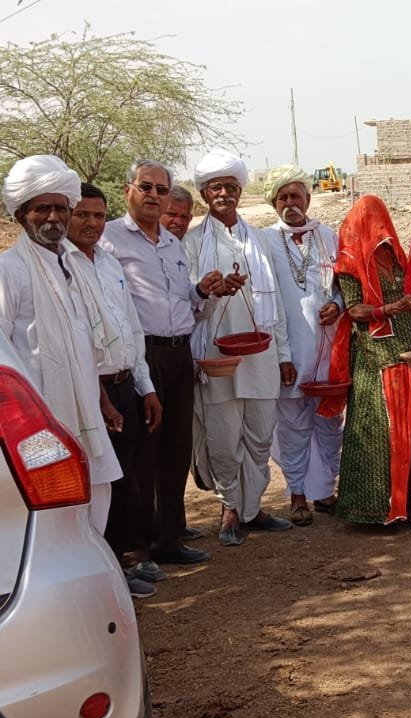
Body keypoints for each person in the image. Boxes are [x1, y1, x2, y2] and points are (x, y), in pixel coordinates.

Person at [101, 160, 221, 569]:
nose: (154, 195)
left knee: (176, 448)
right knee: (143, 454)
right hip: (142, 355)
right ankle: (139, 544)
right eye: (146, 187)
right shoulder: (109, 240)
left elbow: (183, 300)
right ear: (128, 190)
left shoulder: (171, 243)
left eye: (162, 189)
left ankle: (170, 538)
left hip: (178, 352)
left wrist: (201, 291)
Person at [0, 156, 122, 536]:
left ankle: (93, 569)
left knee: (97, 494)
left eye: (60, 207)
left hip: (86, 407)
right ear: (21, 215)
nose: (53, 216)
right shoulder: (9, 270)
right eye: (42, 208)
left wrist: (102, 399)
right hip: (38, 416)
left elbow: (83, 342)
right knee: (54, 512)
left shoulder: (74, 265)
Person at [185, 149, 293, 547]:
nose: (224, 194)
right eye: (216, 187)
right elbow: (187, 303)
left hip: (261, 352)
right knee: (224, 437)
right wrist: (211, 292)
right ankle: (229, 506)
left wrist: (283, 354)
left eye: (231, 186)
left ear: (240, 191)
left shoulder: (262, 239)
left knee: (260, 435)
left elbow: (277, 302)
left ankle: (252, 508)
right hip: (216, 356)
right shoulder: (192, 243)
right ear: (204, 194)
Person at [67, 182, 165, 598]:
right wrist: (100, 397)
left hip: (125, 385)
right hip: (89, 393)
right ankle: (99, 579)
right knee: (95, 485)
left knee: (122, 481)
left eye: (98, 215)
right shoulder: (60, 267)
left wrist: (146, 387)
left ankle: (119, 566)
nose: (91, 223)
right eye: (82, 214)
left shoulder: (107, 263)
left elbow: (130, 328)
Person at [320, 195, 411, 525]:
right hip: (373, 359)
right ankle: (372, 508)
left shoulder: (398, 259)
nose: (381, 229)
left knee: (406, 429)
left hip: (406, 356)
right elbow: (354, 310)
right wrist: (390, 309)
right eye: (373, 223)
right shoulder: (350, 262)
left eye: (383, 221)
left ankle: (405, 506)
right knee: (377, 432)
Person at [262, 165, 343, 526]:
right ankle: (297, 494)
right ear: (274, 203)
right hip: (289, 352)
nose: (289, 203)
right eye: (282, 197)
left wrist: (337, 304)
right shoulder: (265, 241)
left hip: (328, 350)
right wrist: (281, 355)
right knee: (293, 426)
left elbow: (343, 286)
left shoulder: (328, 236)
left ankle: (325, 491)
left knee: (329, 423)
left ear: (308, 199)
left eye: (296, 196)